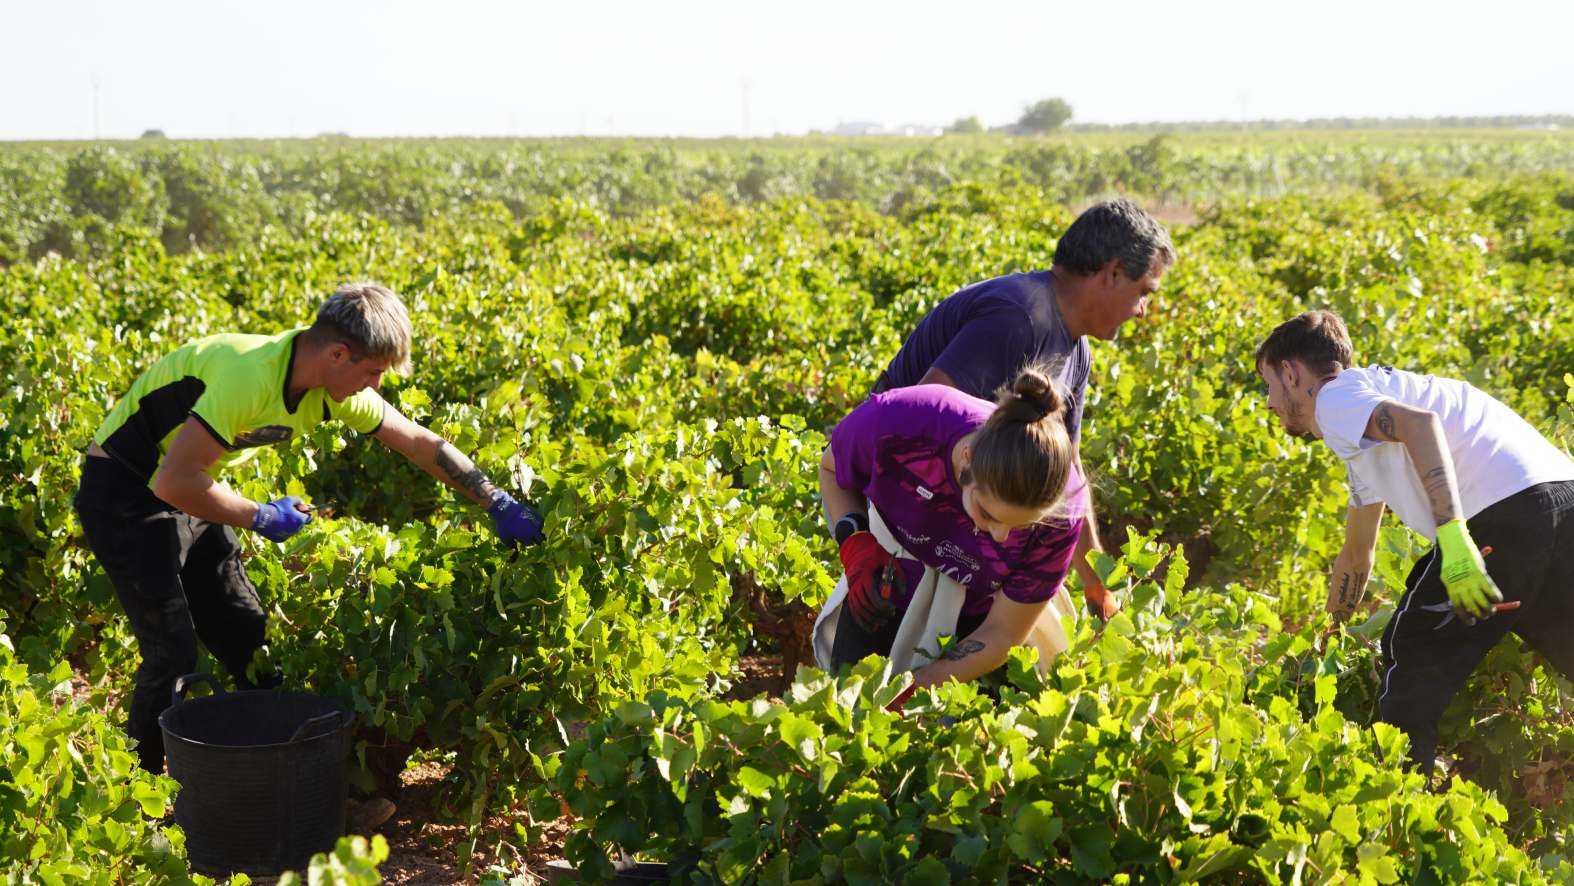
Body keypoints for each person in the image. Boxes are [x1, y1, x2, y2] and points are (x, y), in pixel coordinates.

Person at [74, 282, 545, 778]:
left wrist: (495, 498)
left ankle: (270, 783)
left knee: (250, 640)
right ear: (337, 353)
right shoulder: (248, 375)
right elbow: (173, 481)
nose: (376, 386)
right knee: (171, 652)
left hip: (189, 485)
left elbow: (418, 442)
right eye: (372, 373)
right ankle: (136, 794)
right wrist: (260, 516)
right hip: (124, 493)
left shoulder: (329, 388)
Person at [1255, 309, 1574, 772]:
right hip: (1562, 500)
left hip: (1508, 513)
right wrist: (1330, 635)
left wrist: (1455, 538)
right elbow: (1357, 554)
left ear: (1291, 372)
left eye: (1268, 384)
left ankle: (1405, 811)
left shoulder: (1335, 397)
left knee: (1411, 655)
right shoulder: (1363, 426)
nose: (1269, 402)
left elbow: (1420, 426)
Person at [871, 198, 1175, 622]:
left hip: (966, 517)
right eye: (1143, 292)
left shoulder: (1077, 347)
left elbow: (1066, 467)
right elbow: (920, 427)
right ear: (1113, 273)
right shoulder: (1017, 318)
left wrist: (1095, 583)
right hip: (900, 517)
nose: (1142, 310)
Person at [815, 365, 1086, 704]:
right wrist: (857, 547)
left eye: (1021, 527)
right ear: (967, 461)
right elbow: (831, 467)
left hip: (982, 616)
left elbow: (1003, 632)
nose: (1001, 537)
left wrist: (913, 690)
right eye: (988, 513)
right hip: (888, 582)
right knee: (847, 716)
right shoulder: (903, 421)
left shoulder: (1064, 511)